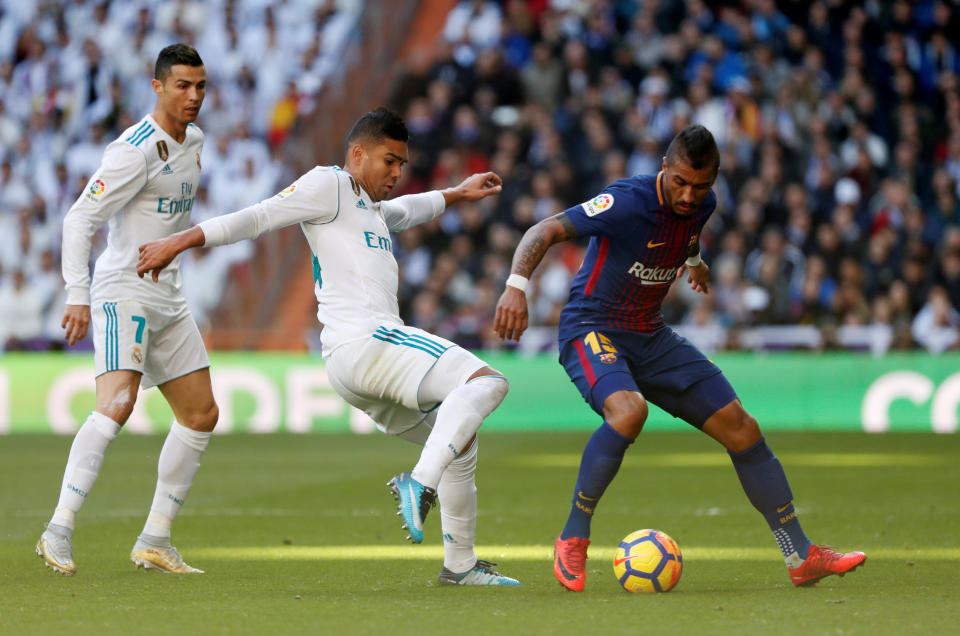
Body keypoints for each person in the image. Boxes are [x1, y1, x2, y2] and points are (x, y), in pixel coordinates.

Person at [136, 107, 520, 587]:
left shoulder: (369, 209)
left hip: (355, 364)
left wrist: (456, 194)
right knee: (487, 381)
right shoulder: (329, 185)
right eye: (389, 161)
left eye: (402, 164)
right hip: (369, 340)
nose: (398, 173)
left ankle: (459, 566)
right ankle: (419, 483)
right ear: (357, 154)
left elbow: (408, 210)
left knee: (459, 441)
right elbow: (258, 217)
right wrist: (180, 241)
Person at [493, 124, 866, 591]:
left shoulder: (703, 204)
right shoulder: (626, 201)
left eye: (701, 186)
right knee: (630, 411)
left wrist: (694, 263)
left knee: (743, 429)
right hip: (592, 327)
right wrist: (515, 287)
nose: (689, 195)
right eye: (680, 183)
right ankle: (573, 535)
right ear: (664, 168)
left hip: (651, 335)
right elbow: (544, 229)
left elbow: (686, 231)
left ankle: (799, 555)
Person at [37, 44, 218, 576]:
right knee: (117, 402)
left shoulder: (196, 141)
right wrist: (78, 292)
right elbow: (79, 219)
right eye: (183, 86)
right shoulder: (132, 151)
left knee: (201, 414)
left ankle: (155, 539)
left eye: (201, 86)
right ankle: (58, 529)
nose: (193, 97)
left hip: (169, 295)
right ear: (157, 86)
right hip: (124, 290)